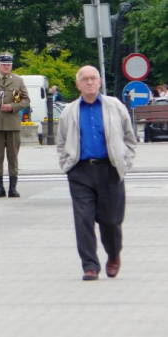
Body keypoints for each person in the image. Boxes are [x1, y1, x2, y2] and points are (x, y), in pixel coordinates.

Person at [57, 65, 136, 281]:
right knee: (83, 219)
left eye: (93, 78)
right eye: (85, 79)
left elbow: (130, 138)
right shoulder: (69, 111)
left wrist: (124, 162)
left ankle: (113, 254)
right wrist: (67, 165)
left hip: (109, 169)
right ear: (78, 85)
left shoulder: (115, 106)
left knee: (111, 220)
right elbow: (61, 142)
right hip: (80, 172)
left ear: (100, 82)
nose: (90, 82)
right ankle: (90, 265)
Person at [0, 52, 30, 198]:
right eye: (3, 65)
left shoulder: (18, 81)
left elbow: (26, 101)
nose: (6, 67)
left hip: (12, 122)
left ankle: (13, 188)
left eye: (8, 65)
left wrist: (13, 107)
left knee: (13, 156)